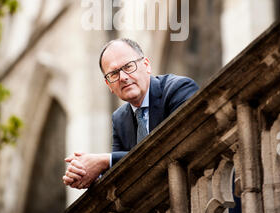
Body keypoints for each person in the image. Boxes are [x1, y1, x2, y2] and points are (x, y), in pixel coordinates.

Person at [63, 38, 199, 190]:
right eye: (114, 73)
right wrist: (87, 173)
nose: (123, 77)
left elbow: (175, 147)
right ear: (109, 85)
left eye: (128, 66)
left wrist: (103, 160)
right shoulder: (120, 119)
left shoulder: (178, 89)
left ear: (146, 65)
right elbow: (120, 175)